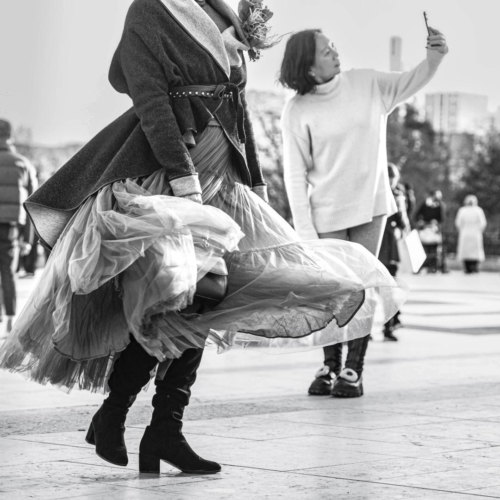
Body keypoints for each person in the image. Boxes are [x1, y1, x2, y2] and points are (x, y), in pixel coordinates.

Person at [0, 0, 404, 476]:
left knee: (205, 301)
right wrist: (182, 176)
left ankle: (155, 427)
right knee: (178, 300)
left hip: (225, 183)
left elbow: (238, 105)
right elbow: (151, 100)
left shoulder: (223, 10)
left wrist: (254, 181)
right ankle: (125, 417)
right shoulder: (150, 10)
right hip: (176, 179)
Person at [279, 25, 448, 397]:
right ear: (308, 67)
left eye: (334, 46)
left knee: (362, 288)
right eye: (326, 51)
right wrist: (305, 232)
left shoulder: (367, 83)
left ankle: (353, 371)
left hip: (371, 208)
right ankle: (329, 365)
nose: (335, 52)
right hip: (326, 214)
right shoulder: (297, 110)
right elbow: (295, 176)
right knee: (330, 293)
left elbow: (410, 80)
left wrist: (434, 58)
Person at [0, 119, 37, 336]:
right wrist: (27, 239)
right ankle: (10, 318)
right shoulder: (23, 164)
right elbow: (32, 204)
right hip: (12, 226)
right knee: (8, 271)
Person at [378, 164, 410, 341]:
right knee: (390, 287)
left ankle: (367, 331)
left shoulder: (375, 190)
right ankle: (389, 326)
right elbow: (403, 221)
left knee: (373, 289)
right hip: (388, 245)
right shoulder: (397, 195)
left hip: (375, 243)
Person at [415, 190, 447, 273]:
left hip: (434, 230)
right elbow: (416, 215)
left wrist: (436, 222)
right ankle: (420, 266)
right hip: (425, 229)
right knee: (423, 249)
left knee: (436, 249)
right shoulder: (424, 204)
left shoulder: (440, 205)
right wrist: (421, 221)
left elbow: (442, 218)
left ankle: (437, 266)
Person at [455, 195, 487, 274]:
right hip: (475, 233)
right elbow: (483, 223)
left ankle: (468, 268)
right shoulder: (478, 210)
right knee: (474, 251)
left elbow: (458, 223)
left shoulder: (462, 210)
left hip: (465, 233)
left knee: (468, 251)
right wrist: (479, 230)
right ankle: (474, 267)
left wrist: (462, 229)